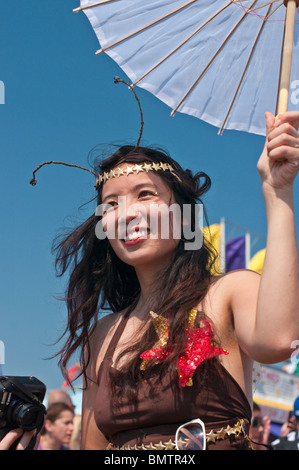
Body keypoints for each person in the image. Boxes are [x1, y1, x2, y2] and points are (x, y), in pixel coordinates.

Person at [1, 111, 299, 450]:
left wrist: (277, 191)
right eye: (111, 204)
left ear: (185, 216)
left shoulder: (228, 292)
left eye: (145, 194)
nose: (127, 212)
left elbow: (279, 341)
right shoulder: (101, 336)